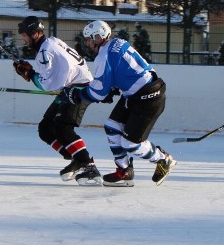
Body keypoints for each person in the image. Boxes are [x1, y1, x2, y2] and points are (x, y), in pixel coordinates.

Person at [59, 20, 176, 187]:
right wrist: (111, 88)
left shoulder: (103, 56)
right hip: (136, 94)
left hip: (148, 98)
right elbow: (122, 72)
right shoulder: (117, 42)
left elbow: (98, 91)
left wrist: (76, 95)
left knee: (130, 144)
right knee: (112, 126)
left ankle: (163, 160)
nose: (87, 43)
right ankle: (124, 171)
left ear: (98, 37)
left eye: (89, 39)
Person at [13, 16, 102, 185]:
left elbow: (47, 85)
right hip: (71, 87)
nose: (23, 38)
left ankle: (88, 166)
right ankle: (77, 157)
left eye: (24, 35)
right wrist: (31, 73)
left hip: (79, 89)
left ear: (35, 34)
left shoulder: (44, 52)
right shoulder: (51, 42)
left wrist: (30, 75)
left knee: (63, 128)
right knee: (45, 128)